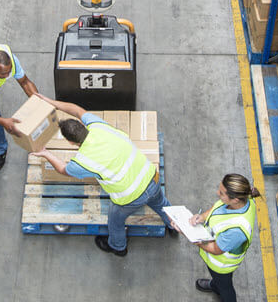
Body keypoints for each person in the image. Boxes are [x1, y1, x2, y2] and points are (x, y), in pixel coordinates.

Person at [32, 95, 177, 256]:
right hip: (152, 177)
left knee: (115, 220)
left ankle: (118, 247)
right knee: (161, 203)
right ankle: (173, 226)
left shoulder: (83, 161)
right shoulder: (98, 126)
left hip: (133, 197)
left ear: (71, 143)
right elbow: (76, 109)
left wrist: (45, 153)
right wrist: (51, 102)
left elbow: (62, 169)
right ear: (83, 125)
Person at [174, 174, 260, 302]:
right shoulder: (241, 200)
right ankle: (215, 285)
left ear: (235, 199)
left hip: (221, 266)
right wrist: (201, 217)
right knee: (220, 283)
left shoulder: (236, 230)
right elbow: (216, 209)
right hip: (215, 262)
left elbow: (215, 249)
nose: (217, 194)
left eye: (221, 193)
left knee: (226, 288)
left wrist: (190, 235)